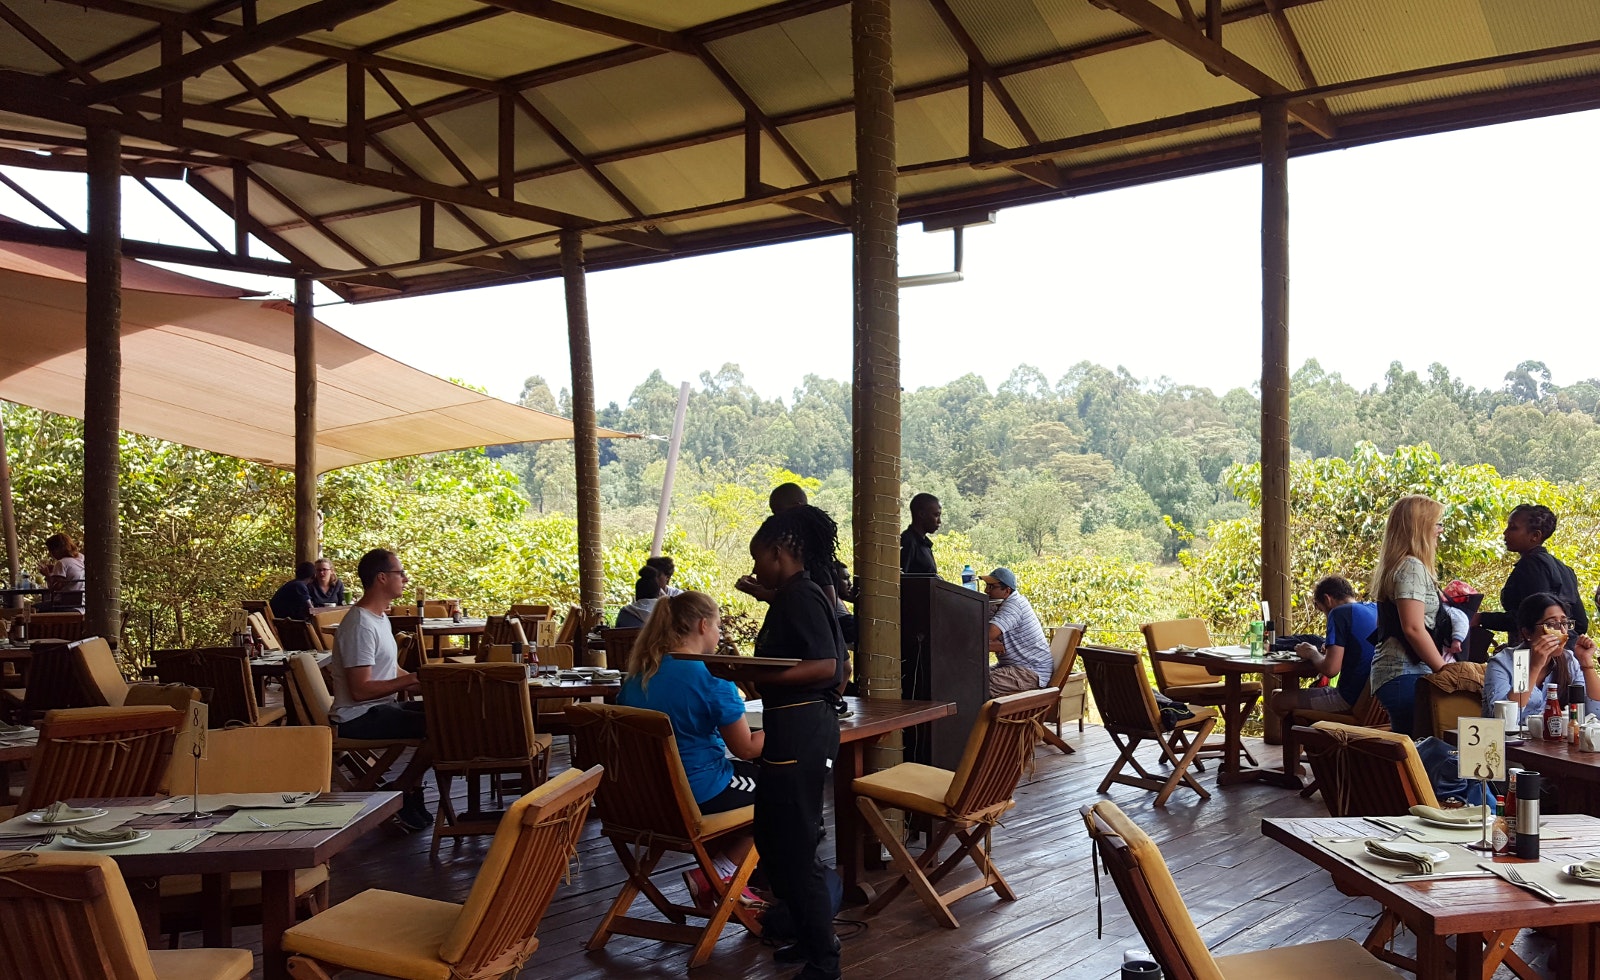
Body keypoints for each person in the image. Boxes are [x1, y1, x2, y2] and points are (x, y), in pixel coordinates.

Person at [733, 505, 847, 980]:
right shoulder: (796, 594)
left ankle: (825, 959)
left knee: (797, 847)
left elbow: (827, 668)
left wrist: (754, 675)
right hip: (790, 728)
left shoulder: (801, 597)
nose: (757, 568)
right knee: (774, 840)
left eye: (761, 559)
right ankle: (803, 934)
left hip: (803, 729)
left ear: (780, 552)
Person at [618, 591, 763, 904]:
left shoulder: (637, 678)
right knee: (787, 791)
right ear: (702, 625)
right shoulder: (710, 677)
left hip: (644, 800)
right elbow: (747, 748)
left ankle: (725, 879)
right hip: (695, 795)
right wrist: (787, 727)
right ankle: (717, 873)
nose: (718, 634)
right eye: (718, 626)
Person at [327, 549, 432, 831]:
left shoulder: (380, 618)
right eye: (401, 573)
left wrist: (427, 683)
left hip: (379, 708)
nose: (406, 579)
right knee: (441, 726)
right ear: (382, 578)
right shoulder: (359, 624)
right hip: (357, 717)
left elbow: (390, 672)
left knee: (447, 714)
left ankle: (404, 787)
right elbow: (360, 690)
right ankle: (402, 789)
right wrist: (410, 679)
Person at [1368, 495, 1450, 737]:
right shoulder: (1411, 567)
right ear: (1420, 528)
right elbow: (1413, 628)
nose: (1439, 531)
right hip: (1405, 672)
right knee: (1423, 748)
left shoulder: (1401, 565)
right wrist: (1445, 672)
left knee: (1410, 747)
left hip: (1402, 673)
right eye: (1436, 524)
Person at [1482, 592, 1600, 725]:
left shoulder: (1568, 660)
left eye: (1564, 623)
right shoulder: (1502, 663)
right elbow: (1504, 721)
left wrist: (1586, 664)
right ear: (1527, 633)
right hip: (1510, 744)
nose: (1562, 631)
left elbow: (1595, 714)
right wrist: (1533, 667)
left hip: (1553, 743)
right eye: (1550, 624)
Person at [1270, 576, 1378, 719]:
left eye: (1323, 611)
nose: (1327, 616)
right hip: (1374, 703)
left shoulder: (1339, 613)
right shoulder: (1375, 609)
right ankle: (1306, 738)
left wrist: (1312, 653)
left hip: (1349, 699)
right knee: (1281, 695)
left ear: (1327, 599)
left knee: (1278, 700)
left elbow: (1331, 669)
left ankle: (1309, 739)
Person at [1478, 504, 1588, 640]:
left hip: (1536, 652)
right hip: (1563, 652)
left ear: (1535, 536)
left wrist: (1481, 618)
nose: (1505, 533)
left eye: (1513, 528)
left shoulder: (1530, 565)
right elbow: (1581, 624)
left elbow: (1531, 617)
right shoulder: (1565, 569)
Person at [980, 568, 1053, 695]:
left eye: (991, 587)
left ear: (1007, 591)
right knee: (972, 676)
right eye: (987, 586)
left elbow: (989, 634)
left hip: (1030, 671)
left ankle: (979, 715)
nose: (986, 591)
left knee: (978, 684)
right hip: (1014, 666)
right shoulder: (999, 604)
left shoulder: (1014, 605)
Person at [36, 532, 85, 612]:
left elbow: (55, 590)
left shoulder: (61, 563)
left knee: (32, 609)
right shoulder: (81, 558)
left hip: (65, 605)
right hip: (82, 604)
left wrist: (47, 575)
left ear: (56, 550)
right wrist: (55, 570)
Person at [900, 492, 941, 576]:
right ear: (922, 514)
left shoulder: (925, 545)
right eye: (936, 515)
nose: (939, 521)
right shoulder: (907, 541)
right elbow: (901, 578)